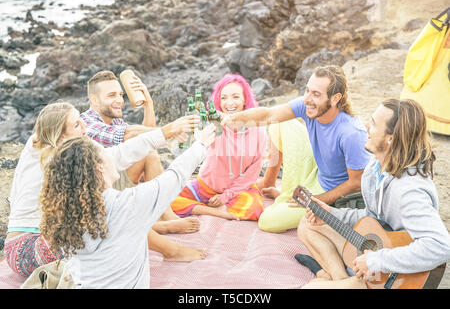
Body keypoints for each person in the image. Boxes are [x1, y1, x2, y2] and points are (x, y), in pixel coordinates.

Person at [4, 102, 201, 277]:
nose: (84, 127)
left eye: (81, 120)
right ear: (60, 136)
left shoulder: (49, 144)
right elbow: (117, 155)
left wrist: (165, 132)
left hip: (42, 236)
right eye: (76, 125)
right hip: (26, 250)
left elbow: (115, 154)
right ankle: (169, 250)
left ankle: (158, 228)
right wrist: (167, 131)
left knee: (104, 209)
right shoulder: (55, 158)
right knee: (109, 214)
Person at [295, 99, 450, 289]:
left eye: (374, 123)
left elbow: (440, 246)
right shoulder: (375, 167)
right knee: (307, 225)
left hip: (394, 276)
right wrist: (331, 213)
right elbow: (371, 219)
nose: (366, 125)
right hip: (375, 255)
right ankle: (342, 280)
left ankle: (337, 280)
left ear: (390, 138)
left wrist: (376, 261)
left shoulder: (409, 190)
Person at [39, 124, 216, 288]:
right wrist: (201, 144)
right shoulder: (128, 205)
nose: (111, 156)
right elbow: (173, 177)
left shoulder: (66, 213)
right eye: (106, 153)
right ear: (100, 167)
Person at [221, 65, 370, 233]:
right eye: (307, 90)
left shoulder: (352, 133)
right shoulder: (309, 106)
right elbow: (269, 115)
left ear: (335, 98)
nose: (307, 99)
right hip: (318, 168)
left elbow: (357, 183)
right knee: (279, 123)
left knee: (267, 221)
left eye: (316, 94)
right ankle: (269, 181)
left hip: (330, 190)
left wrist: (316, 200)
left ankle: (288, 197)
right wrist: (232, 119)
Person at [81, 70, 205, 262]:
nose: (120, 100)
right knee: (146, 150)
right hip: (95, 198)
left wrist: (149, 104)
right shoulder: (86, 122)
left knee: (148, 151)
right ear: (94, 101)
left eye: (121, 95)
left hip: (113, 183)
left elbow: (145, 140)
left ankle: (166, 216)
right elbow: (131, 135)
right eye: (112, 95)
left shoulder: (115, 120)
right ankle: (164, 224)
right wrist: (169, 130)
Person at [170, 74, 267, 221]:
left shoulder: (258, 131)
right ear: (218, 102)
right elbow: (196, 140)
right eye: (223, 98)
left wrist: (225, 197)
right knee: (167, 199)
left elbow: (251, 174)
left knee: (254, 208)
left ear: (245, 100)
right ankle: (215, 212)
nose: (229, 103)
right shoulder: (212, 125)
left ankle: (207, 207)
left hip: (238, 191)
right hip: (204, 188)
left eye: (235, 97)